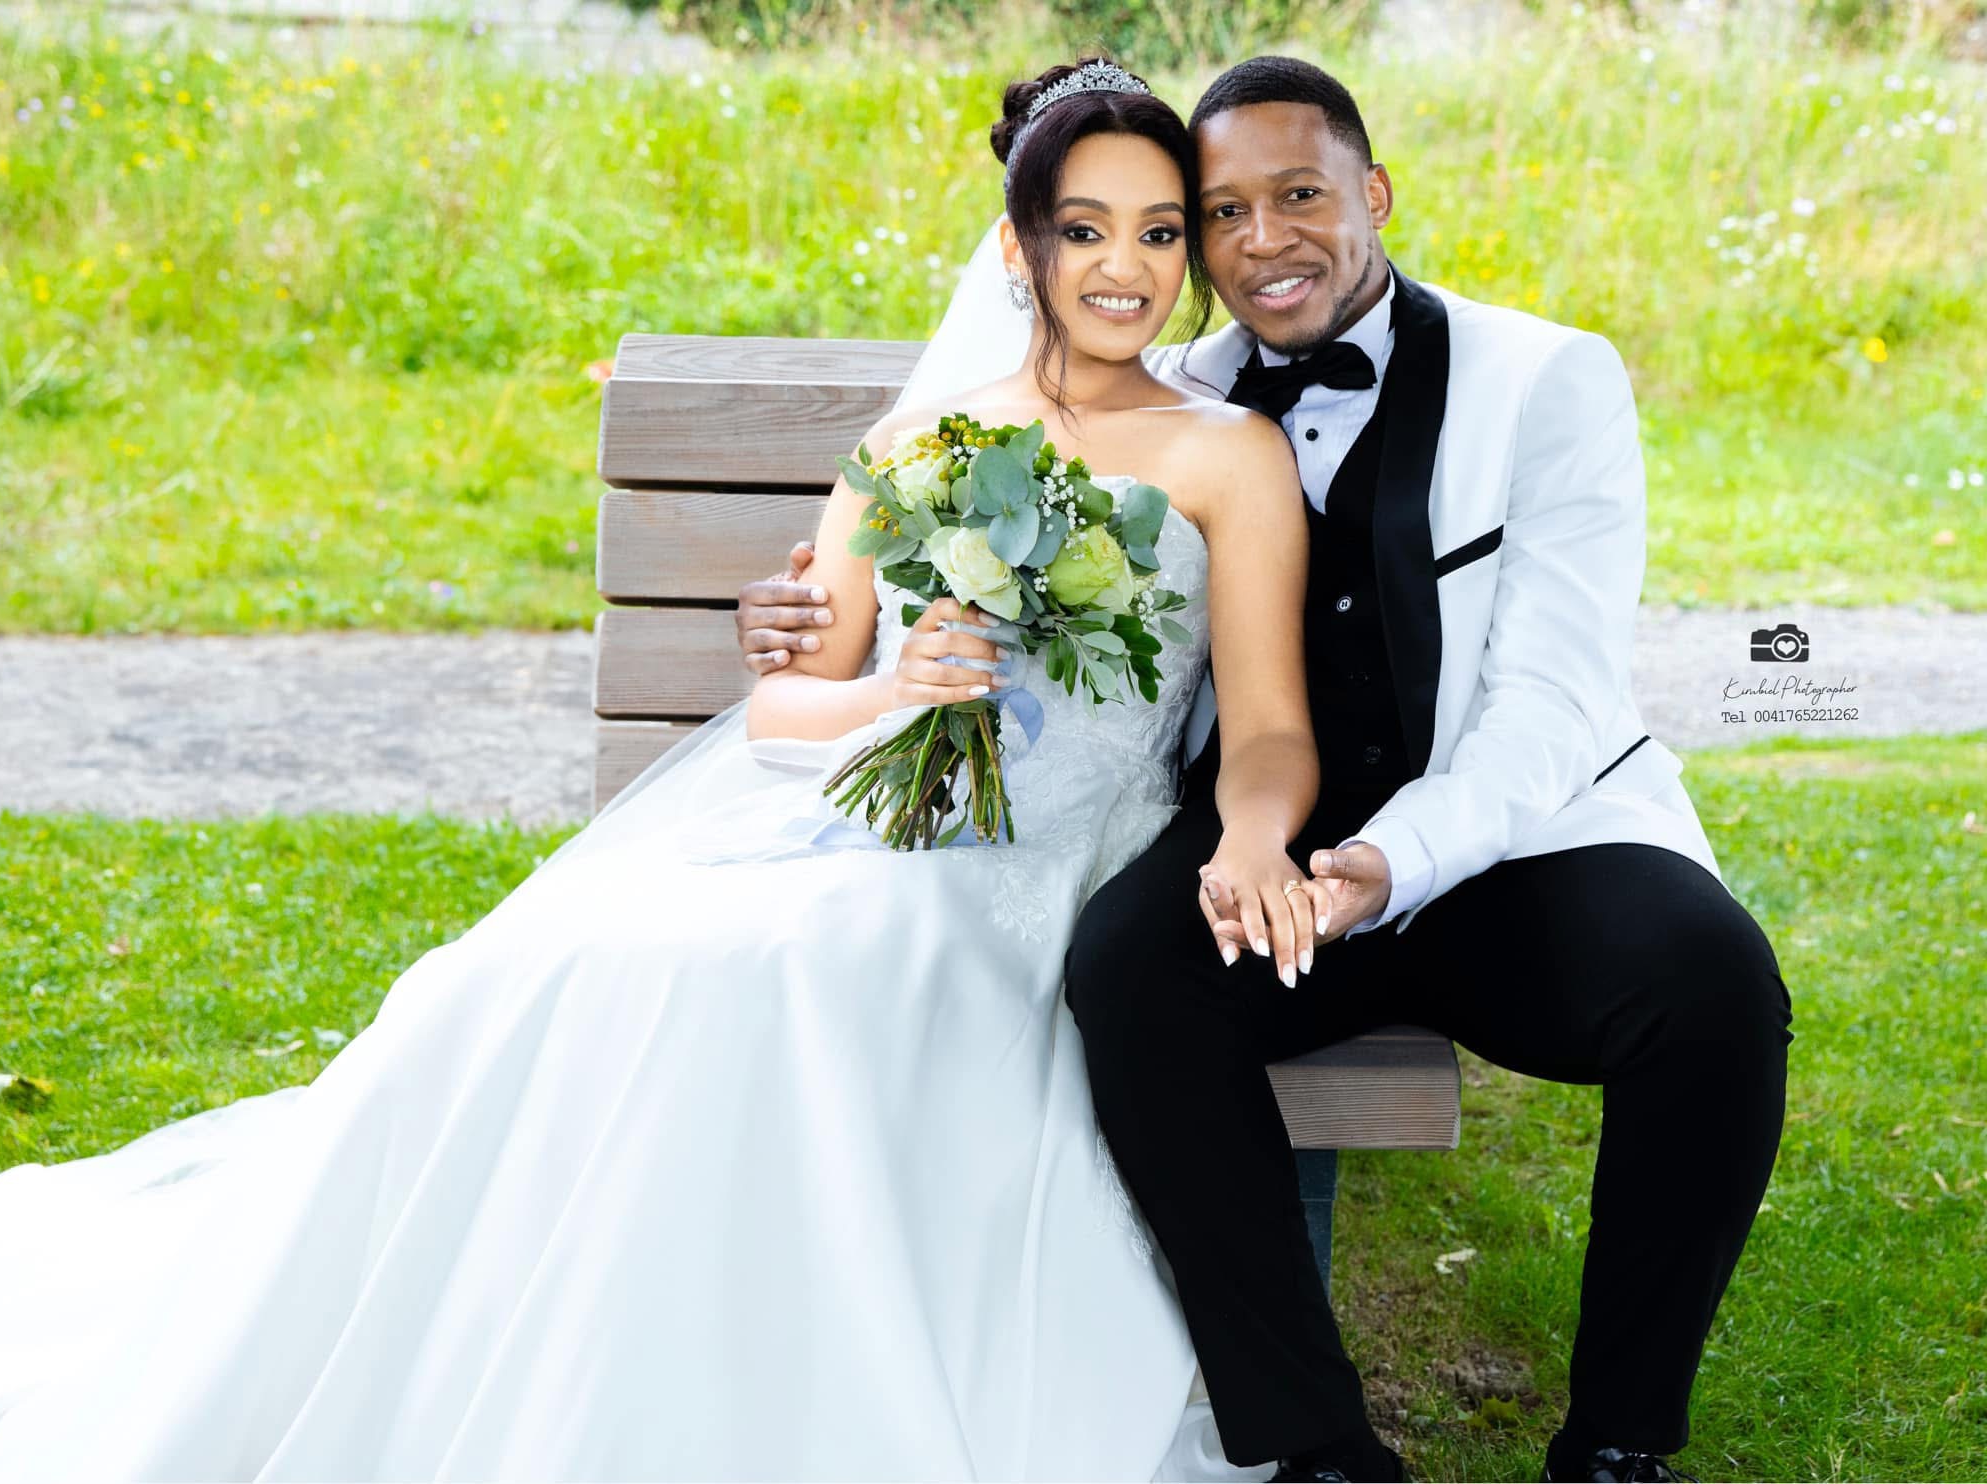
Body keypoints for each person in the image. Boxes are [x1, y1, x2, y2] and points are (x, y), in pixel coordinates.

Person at [0, 58, 1340, 1484]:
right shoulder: (917, 443)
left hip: (1055, 855)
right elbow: (786, 708)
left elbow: (1271, 727)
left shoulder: (1227, 456)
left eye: (1159, 232)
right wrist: (890, 691)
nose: (1124, 269)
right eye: (1085, 229)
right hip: (871, 818)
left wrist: (1252, 833)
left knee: (807, 963)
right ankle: (533, 1356)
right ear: (1017, 244)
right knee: (545, 965)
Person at [735, 55, 1794, 1484]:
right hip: (1272, 833)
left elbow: (1549, 709)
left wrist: (1391, 864)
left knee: (1710, 984)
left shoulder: (1544, 378)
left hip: (1513, 841)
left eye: (1299, 196)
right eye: (1223, 213)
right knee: (1133, 971)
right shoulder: (1180, 387)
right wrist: (809, 622)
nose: (1261, 240)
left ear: (1376, 192)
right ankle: (1317, 1447)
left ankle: (1617, 1442)